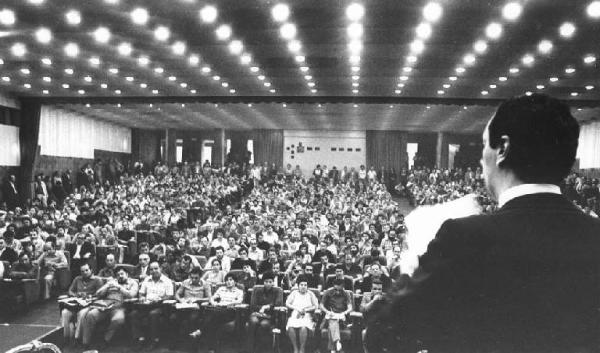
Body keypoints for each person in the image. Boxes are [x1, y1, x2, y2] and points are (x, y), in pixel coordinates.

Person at [366, 94, 600, 353]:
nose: (480, 159)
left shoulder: (463, 236)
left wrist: (414, 261)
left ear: (503, 149)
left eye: (484, 145)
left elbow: (382, 336)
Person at [80, 266, 138, 349]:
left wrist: (119, 287)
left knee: (118, 320)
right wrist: (106, 286)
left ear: (127, 274)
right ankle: (86, 343)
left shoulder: (133, 283)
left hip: (120, 306)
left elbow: (131, 295)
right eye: (118, 275)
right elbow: (98, 294)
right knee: (91, 314)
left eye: (122, 274)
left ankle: (105, 339)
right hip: (106, 305)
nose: (120, 276)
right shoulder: (112, 282)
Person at [130, 261, 174, 350]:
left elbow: (170, 295)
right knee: (133, 314)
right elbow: (141, 293)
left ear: (160, 269)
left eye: (156, 268)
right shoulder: (147, 279)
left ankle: (154, 340)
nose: (154, 271)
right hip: (146, 305)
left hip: (160, 306)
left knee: (153, 314)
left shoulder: (167, 281)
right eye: (151, 269)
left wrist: (160, 299)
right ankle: (140, 338)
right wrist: (142, 297)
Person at [60, 262, 103, 345]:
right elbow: (70, 291)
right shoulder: (77, 279)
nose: (85, 273)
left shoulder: (97, 280)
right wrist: (76, 294)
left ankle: (77, 338)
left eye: (87, 270)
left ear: (91, 270)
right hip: (76, 304)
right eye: (82, 271)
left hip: (89, 304)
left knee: (81, 314)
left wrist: (89, 296)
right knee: (64, 312)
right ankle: (66, 337)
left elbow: (100, 295)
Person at [246, 271, 284, 353]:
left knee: (264, 324)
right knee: (253, 321)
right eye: (266, 282)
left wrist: (267, 306)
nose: (268, 284)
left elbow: (278, 303)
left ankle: (261, 349)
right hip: (257, 313)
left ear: (273, 282)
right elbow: (253, 305)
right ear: (263, 282)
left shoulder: (277, 291)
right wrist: (261, 308)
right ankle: (250, 349)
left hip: (269, 315)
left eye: (270, 282)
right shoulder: (258, 291)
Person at [286, 275, 319, 353]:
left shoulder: (310, 294)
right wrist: (297, 308)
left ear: (307, 286)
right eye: (301, 285)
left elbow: (316, 306)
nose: (303, 287)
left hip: (307, 315)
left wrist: (306, 310)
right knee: (290, 327)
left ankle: (302, 348)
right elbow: (287, 303)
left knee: (303, 327)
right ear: (298, 285)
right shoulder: (294, 293)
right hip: (295, 314)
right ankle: (295, 348)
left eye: (305, 285)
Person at [320, 278, 353, 353]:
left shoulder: (346, 293)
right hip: (330, 316)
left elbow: (350, 307)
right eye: (336, 289)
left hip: (342, 319)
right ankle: (337, 342)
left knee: (331, 326)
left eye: (340, 290)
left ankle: (333, 350)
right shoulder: (328, 292)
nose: (338, 292)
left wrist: (345, 313)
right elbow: (321, 305)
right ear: (333, 286)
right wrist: (327, 312)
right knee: (332, 320)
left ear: (343, 287)